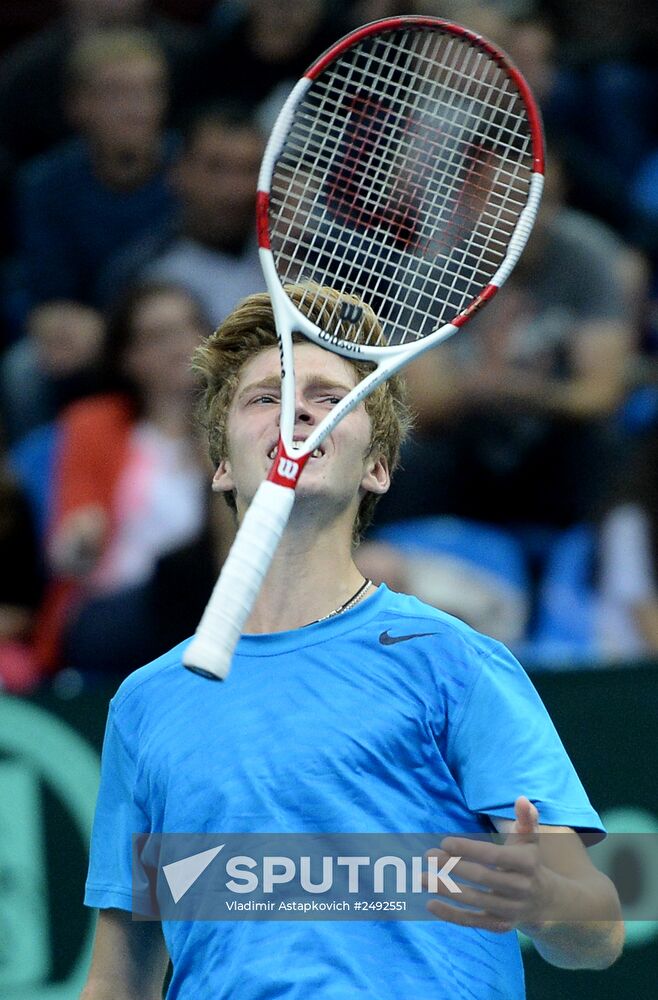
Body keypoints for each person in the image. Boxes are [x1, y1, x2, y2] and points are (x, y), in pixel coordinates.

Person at [81, 285, 623, 999]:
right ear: (220, 464)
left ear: (377, 467)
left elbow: (602, 930)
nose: (300, 411)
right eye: (264, 397)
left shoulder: (451, 662)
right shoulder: (147, 704)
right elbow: (117, 979)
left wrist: (545, 901)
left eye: (332, 396)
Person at [33, 281, 209, 676]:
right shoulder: (94, 425)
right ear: (128, 357)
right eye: (158, 336)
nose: (180, 345)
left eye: (188, 328)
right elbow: (68, 546)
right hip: (110, 610)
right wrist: (78, 540)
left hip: (209, 607)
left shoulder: (236, 427)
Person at [14, 27, 176, 312]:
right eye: (117, 93)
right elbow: (49, 294)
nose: (136, 109)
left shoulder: (196, 168)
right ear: (77, 104)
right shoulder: (45, 185)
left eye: (149, 90)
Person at [96, 103, 265, 325]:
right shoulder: (140, 273)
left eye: (250, 169)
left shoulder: (301, 252)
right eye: (216, 168)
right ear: (178, 172)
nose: (235, 189)